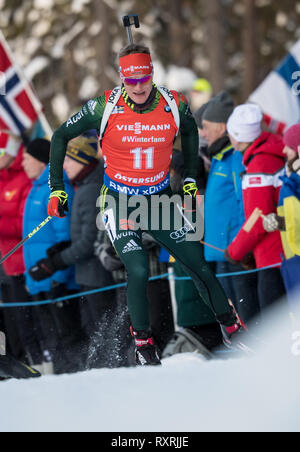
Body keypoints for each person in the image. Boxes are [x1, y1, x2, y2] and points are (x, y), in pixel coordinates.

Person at [47, 43, 248, 366]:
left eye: (144, 79)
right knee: (138, 269)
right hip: (120, 201)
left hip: (159, 199)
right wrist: (57, 189)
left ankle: (232, 327)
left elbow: (191, 133)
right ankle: (143, 342)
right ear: (122, 78)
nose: (138, 87)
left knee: (195, 262)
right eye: (131, 80)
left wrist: (192, 177)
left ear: (152, 75)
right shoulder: (105, 106)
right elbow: (59, 137)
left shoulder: (172, 101)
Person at [29, 131, 117, 370]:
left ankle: (108, 374)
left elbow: (89, 242)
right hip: (89, 276)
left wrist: (56, 262)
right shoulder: (85, 186)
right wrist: (63, 248)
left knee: (103, 334)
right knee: (97, 334)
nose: (64, 165)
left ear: (82, 159)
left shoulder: (90, 190)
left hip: (97, 277)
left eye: (68, 159)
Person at [201, 92, 259, 324]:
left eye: (206, 127)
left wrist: (243, 245)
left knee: (248, 317)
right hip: (221, 250)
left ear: (222, 126)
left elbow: (245, 203)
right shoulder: (218, 157)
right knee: (233, 317)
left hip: (236, 251)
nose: (203, 133)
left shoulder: (234, 158)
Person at [225, 104, 286, 313]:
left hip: (273, 257)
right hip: (280, 251)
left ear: (239, 136)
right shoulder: (270, 152)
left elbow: (258, 217)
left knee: (274, 325)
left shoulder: (259, 164)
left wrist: (235, 251)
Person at [22, 138, 76, 373]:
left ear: (40, 161)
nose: (23, 163)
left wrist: (59, 276)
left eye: (27, 158)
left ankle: (74, 381)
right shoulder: (37, 188)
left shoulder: (57, 188)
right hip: (39, 278)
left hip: (55, 277)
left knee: (67, 337)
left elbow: (64, 236)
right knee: (52, 339)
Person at [262, 123, 300, 310]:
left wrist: (282, 222)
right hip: (292, 256)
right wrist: (280, 222)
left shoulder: (295, 179)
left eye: (289, 146)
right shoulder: (291, 175)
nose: (284, 149)